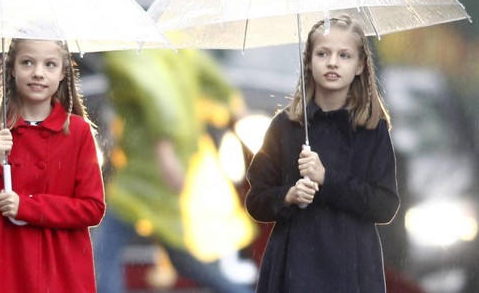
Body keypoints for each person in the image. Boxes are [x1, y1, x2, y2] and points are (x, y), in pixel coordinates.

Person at [244, 15, 400, 293]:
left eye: (344, 55)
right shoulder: (285, 127)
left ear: (360, 65)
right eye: (322, 53)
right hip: (294, 265)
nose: (332, 62)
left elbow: (385, 205)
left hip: (353, 268)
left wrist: (327, 179)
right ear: (308, 61)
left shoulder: (372, 131)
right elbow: (256, 200)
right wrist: (288, 196)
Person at [93, 48, 255, 293]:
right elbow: (212, 76)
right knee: (181, 256)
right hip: (178, 157)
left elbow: (157, 95)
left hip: (147, 169)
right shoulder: (175, 47)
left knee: (104, 251)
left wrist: (164, 150)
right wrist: (235, 106)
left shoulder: (122, 53)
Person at [0, 39, 105, 293]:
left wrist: (28, 206)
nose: (38, 72)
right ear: (11, 68)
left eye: (49, 64)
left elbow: (92, 208)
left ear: (62, 73)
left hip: (60, 272)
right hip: (2, 271)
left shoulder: (79, 133)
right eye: (27, 62)